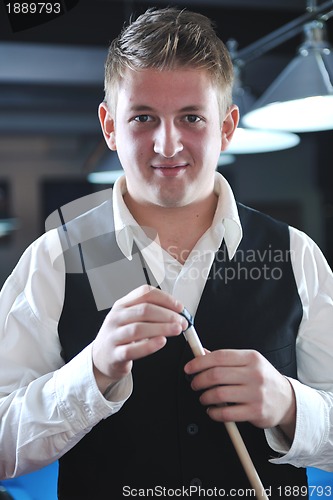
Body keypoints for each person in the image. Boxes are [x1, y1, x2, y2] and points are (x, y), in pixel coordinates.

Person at [0, 6, 333, 499]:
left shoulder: (297, 256)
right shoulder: (54, 257)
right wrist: (91, 372)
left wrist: (289, 405)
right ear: (110, 126)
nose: (167, 143)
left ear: (226, 126)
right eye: (143, 117)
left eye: (192, 117)